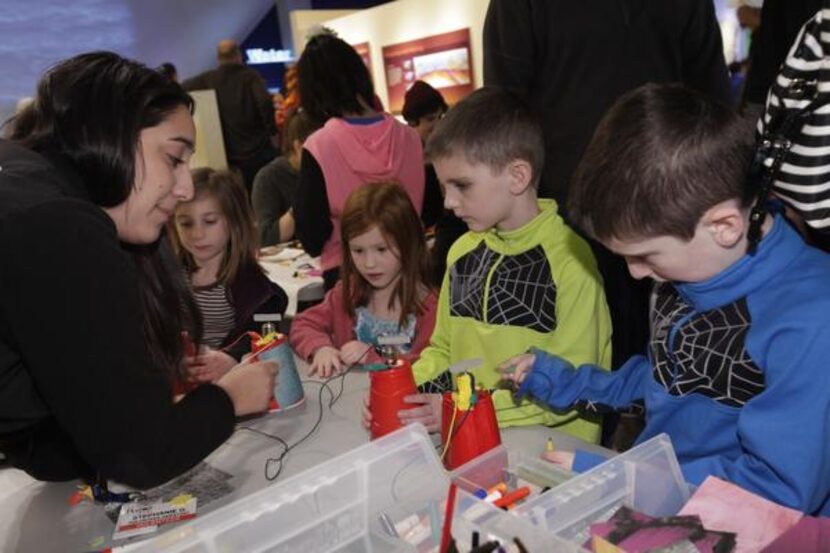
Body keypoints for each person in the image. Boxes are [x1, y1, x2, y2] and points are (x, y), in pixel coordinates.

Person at [501, 83, 830, 515]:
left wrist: (622, 481)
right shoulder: (685, 269)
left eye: (644, 256)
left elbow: (777, 488)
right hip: (660, 498)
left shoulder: (812, 320)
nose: (635, 274)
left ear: (725, 226)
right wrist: (561, 380)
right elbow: (665, 382)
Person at [0, 52, 276, 489]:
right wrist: (228, 398)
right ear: (113, 136)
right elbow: (142, 454)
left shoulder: (25, 185)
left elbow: (40, 437)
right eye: (174, 159)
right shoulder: (55, 223)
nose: (184, 188)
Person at [390, 87, 612, 443]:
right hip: (468, 437)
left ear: (517, 176)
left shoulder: (571, 263)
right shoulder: (461, 251)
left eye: (462, 185)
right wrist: (406, 395)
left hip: (551, 459)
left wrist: (458, 407)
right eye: (444, 186)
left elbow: (572, 385)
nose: (448, 202)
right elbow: (443, 349)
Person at [293, 32, 425, 291]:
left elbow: (311, 234)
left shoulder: (320, 145)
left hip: (348, 277)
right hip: (410, 272)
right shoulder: (410, 137)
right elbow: (428, 209)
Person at [290, 182, 438, 377]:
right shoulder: (347, 292)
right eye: (358, 250)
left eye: (381, 249)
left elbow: (430, 366)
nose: (369, 263)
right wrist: (320, 348)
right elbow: (303, 324)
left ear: (408, 243)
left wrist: (374, 357)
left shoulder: (430, 308)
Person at [171, 167, 288, 382]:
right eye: (186, 223)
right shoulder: (170, 275)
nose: (197, 234)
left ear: (233, 221)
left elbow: (267, 331)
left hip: (233, 380)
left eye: (210, 221)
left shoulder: (251, 284)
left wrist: (232, 357)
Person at [182, 39, 278, 194]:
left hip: (231, 156)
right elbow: (265, 102)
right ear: (238, 55)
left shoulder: (209, 78)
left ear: (218, 58)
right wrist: (272, 132)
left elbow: (183, 87)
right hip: (260, 152)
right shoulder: (250, 77)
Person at [401, 80, 467, 285]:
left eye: (441, 116)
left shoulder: (448, 149)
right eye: (430, 119)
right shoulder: (404, 157)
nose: (438, 124)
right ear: (412, 122)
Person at [251, 108, 320, 247]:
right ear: (299, 146)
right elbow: (267, 238)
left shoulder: (329, 170)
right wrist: (303, 199)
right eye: (319, 148)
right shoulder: (268, 178)